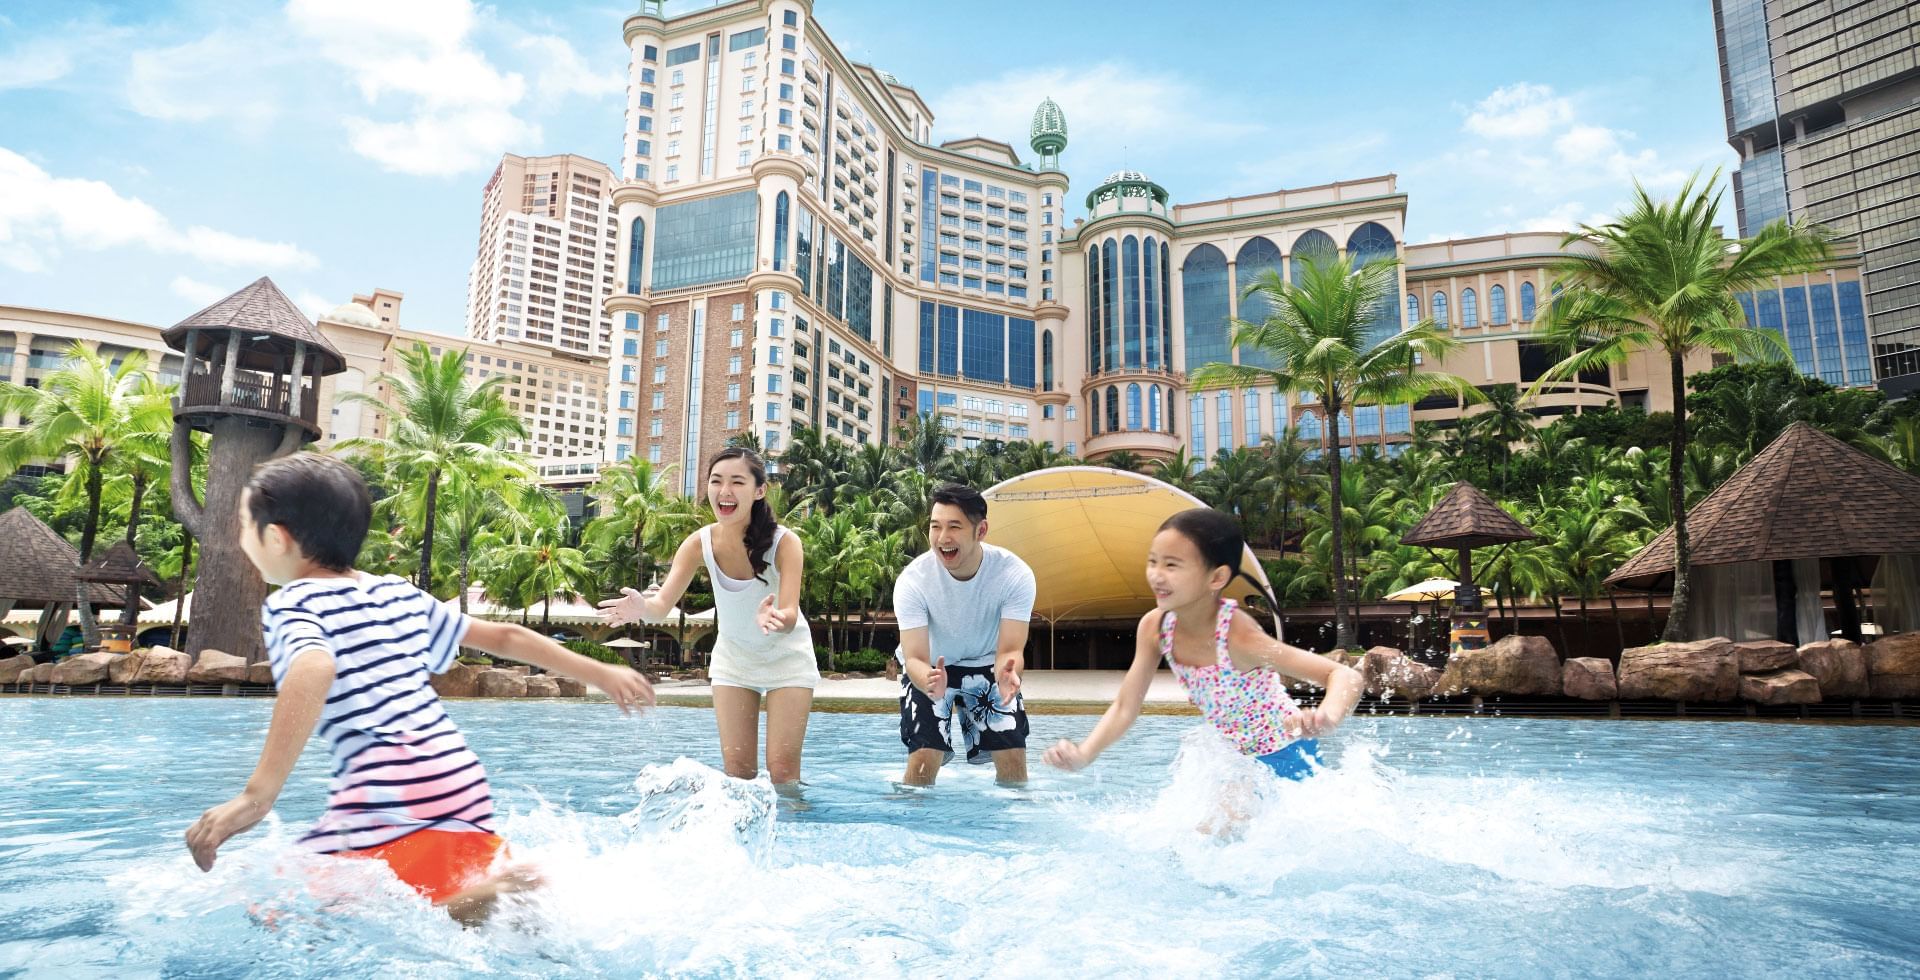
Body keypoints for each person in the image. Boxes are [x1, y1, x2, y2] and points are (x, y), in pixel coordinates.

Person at [184, 453, 653, 925]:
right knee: (439, 905)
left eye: (245, 525)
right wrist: (601, 673)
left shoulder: (292, 605)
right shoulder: (396, 592)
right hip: (456, 777)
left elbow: (313, 666)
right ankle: (498, 891)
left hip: (385, 789)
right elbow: (506, 637)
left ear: (274, 537)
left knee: (284, 912)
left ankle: (488, 896)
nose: (243, 536)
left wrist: (255, 797)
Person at [1044, 507, 1362, 783]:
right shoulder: (1156, 627)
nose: (1156, 575)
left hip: (1288, 757)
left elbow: (1346, 676)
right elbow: (1126, 706)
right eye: (1153, 562)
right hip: (1233, 760)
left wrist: (1326, 717)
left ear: (1216, 577)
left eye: (1172, 565)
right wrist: (1084, 753)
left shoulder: (1238, 636)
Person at [599, 447, 817, 784]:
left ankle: (794, 834)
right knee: (738, 774)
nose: (724, 491)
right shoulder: (698, 543)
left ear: (759, 491)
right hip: (734, 659)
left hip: (787, 658)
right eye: (716, 481)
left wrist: (775, 619)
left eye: (737, 482)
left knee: (783, 773)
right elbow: (661, 606)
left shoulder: (785, 544)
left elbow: (788, 614)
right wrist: (642, 607)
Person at [895, 483, 1036, 786]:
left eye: (954, 527)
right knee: (923, 759)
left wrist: (1009, 673)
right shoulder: (913, 581)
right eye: (935, 527)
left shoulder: (1014, 575)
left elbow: (1010, 650)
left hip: (987, 664)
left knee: (1013, 758)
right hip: (931, 668)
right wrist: (928, 679)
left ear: (981, 530)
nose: (942, 538)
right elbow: (914, 657)